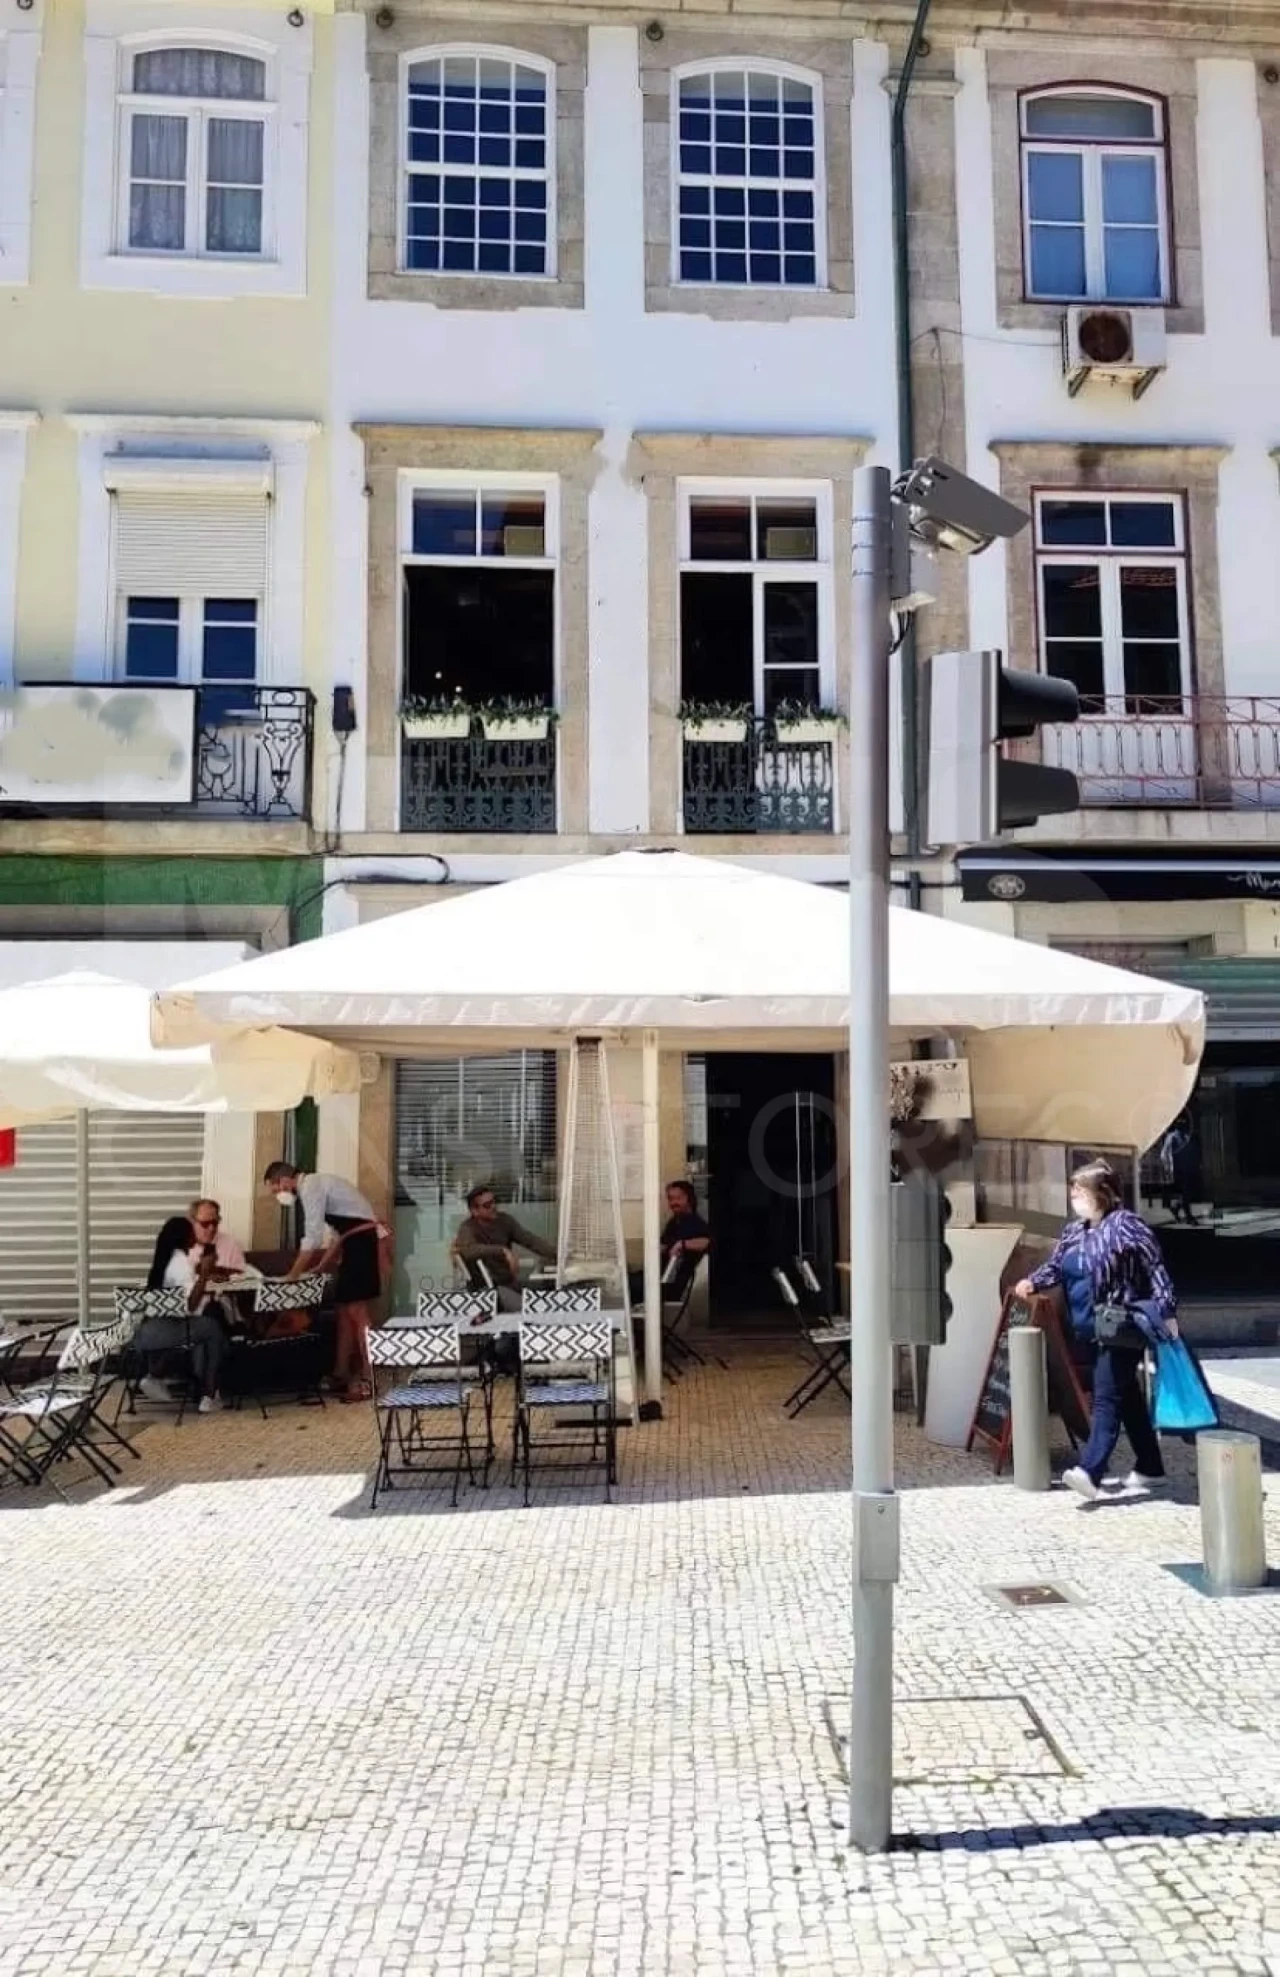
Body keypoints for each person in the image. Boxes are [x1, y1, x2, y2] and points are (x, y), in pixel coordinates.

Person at [1015, 1157, 1177, 1502]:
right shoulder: (1075, 1231)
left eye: (1080, 1191)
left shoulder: (1127, 1226)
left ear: (1102, 1193)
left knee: (1106, 1398)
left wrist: (1166, 1310)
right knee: (1126, 1396)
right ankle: (1151, 1466)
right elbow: (1056, 1267)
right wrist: (1032, 1281)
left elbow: (1155, 1268)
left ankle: (1091, 1471)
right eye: (1073, 1191)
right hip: (1088, 1327)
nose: (1074, 1197)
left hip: (1122, 1323)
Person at [264, 1162, 384, 1402]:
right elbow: (338, 1235)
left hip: (361, 1244)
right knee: (343, 1311)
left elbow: (313, 1236)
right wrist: (321, 1266)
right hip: (353, 1243)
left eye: (276, 1189)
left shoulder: (310, 1186)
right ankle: (340, 1373)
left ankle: (369, 1376)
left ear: (285, 1180)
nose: (278, 1195)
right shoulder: (319, 1185)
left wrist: (293, 1275)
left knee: (357, 1311)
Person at [136, 1215, 228, 1414]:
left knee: (201, 1328)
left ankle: (156, 1374)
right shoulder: (181, 1263)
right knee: (213, 1328)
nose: (195, 1235)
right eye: (191, 1232)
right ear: (184, 1236)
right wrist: (204, 1273)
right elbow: (190, 1306)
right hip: (169, 1331)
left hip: (146, 1333)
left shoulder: (162, 1260)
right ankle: (210, 1394)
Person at [453, 1185, 556, 1313]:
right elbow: (468, 1250)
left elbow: (529, 1240)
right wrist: (502, 1250)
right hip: (488, 1290)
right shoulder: (467, 1228)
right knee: (530, 1309)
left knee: (550, 1290)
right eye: (487, 1205)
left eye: (494, 1201)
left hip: (509, 1283)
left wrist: (557, 1253)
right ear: (475, 1211)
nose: (493, 1207)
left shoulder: (505, 1221)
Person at [628, 1180, 712, 1306]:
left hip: (670, 1284)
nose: (673, 1202)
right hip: (657, 1276)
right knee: (622, 1281)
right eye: (671, 1198)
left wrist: (682, 1244)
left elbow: (707, 1242)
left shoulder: (695, 1223)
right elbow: (664, 1244)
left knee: (626, 1286)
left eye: (678, 1198)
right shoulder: (674, 1222)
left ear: (689, 1199)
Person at [188, 1200, 249, 1277]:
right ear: (192, 1223)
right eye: (205, 1223)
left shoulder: (231, 1244)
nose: (211, 1228)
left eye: (214, 1223)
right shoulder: (179, 1247)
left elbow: (242, 1276)